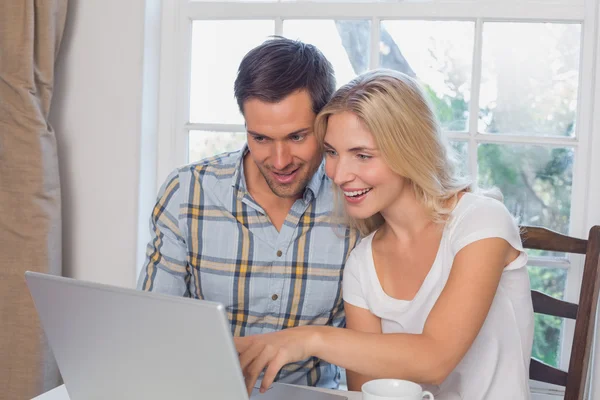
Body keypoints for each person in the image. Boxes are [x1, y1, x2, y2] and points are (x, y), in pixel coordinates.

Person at [234, 69, 534, 400]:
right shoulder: (362, 263)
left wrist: (308, 339)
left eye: (362, 155)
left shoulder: (481, 221)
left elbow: (436, 359)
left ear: (409, 150)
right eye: (332, 152)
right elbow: (366, 391)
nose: (339, 174)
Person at [136, 37, 359, 389]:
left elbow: (366, 347)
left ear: (324, 122)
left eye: (297, 137)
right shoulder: (187, 193)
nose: (280, 160)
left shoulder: (355, 202)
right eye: (261, 139)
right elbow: (149, 326)